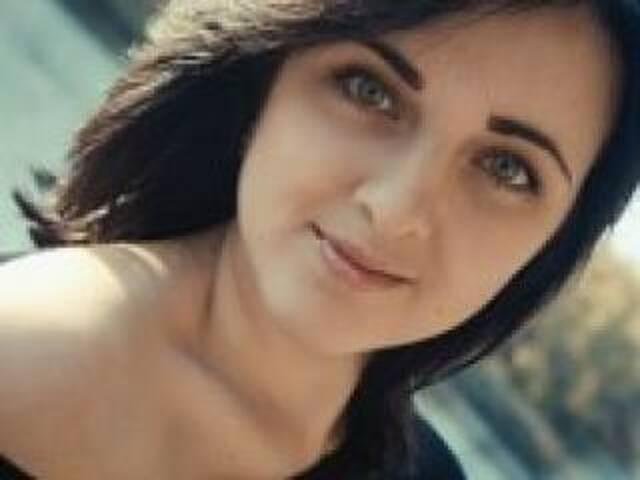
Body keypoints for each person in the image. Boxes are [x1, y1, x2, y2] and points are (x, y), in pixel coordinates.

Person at [1, 0, 639, 478]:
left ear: (552, 244)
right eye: (369, 90)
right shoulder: (26, 357)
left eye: (506, 168)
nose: (393, 210)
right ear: (266, 76)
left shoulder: (428, 471)